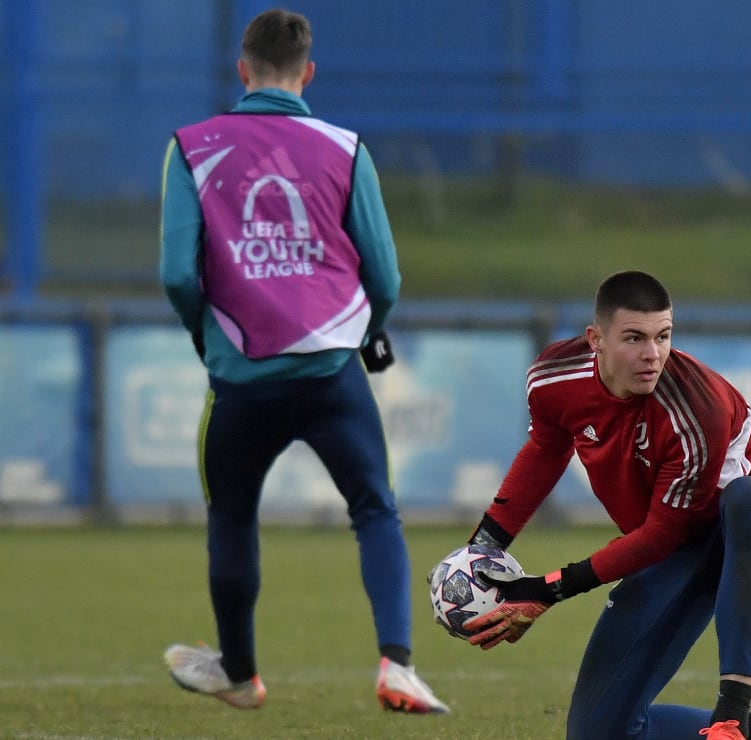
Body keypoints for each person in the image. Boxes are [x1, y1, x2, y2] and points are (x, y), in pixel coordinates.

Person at [158, 8, 447, 715]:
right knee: (375, 510)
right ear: (307, 73)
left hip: (241, 379)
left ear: (242, 68)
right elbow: (385, 276)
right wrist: (367, 330)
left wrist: (209, 338)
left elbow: (175, 274)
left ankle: (242, 673)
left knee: (232, 516)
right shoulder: (344, 147)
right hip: (330, 373)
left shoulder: (191, 147)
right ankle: (398, 665)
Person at [457, 270, 751, 740]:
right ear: (596, 339)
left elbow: (660, 535)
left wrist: (551, 588)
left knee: (746, 496)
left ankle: (730, 715)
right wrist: (483, 547)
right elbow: (546, 449)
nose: (653, 355)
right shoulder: (553, 377)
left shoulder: (696, 409)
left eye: (663, 336)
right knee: (599, 733)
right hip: (687, 542)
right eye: (634, 338)